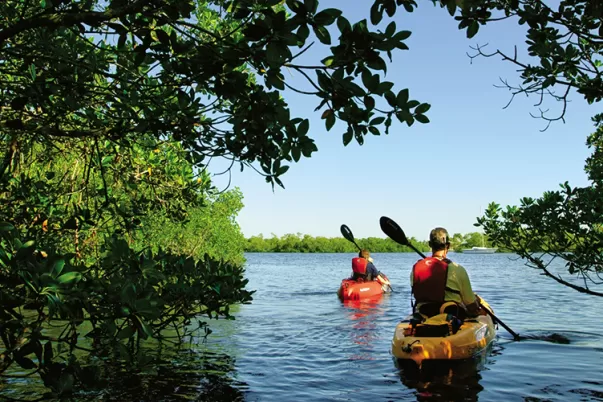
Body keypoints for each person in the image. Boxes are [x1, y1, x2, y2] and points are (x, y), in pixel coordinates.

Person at [410, 227, 484, 319]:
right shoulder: (458, 269)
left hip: (423, 316)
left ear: (430, 244)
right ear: (448, 245)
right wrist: (477, 302)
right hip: (451, 317)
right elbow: (471, 306)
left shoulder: (416, 268)